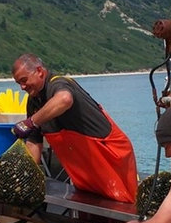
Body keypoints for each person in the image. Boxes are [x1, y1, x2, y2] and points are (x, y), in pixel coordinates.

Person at [10, 54, 138, 203]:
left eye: (24, 80)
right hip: (85, 171)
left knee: (125, 206)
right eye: (19, 83)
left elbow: (65, 99)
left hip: (111, 159)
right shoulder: (33, 101)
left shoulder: (58, 84)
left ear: (39, 71)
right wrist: (27, 177)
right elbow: (33, 141)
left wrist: (31, 122)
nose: (22, 87)